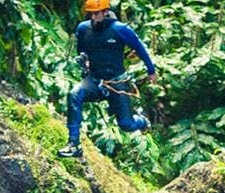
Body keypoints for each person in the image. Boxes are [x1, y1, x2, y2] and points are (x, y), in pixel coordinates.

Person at [57, 0, 156, 158]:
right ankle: (73, 144)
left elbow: (140, 48)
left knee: (126, 124)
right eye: (92, 14)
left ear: (105, 11)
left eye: (97, 13)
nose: (95, 17)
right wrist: (84, 59)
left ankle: (142, 120)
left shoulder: (120, 29)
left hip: (117, 83)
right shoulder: (84, 29)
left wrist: (151, 71)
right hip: (95, 80)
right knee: (74, 94)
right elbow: (82, 49)